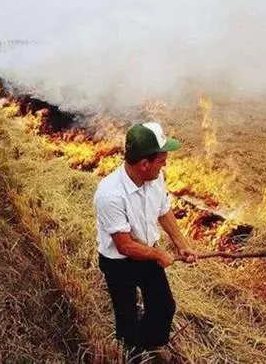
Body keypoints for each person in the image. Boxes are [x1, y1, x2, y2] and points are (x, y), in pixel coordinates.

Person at [94, 122, 197, 363]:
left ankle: (151, 341)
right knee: (126, 312)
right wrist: (159, 255)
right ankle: (132, 351)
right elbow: (125, 246)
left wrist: (181, 244)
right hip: (118, 261)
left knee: (164, 305)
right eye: (162, 159)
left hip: (148, 251)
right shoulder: (110, 195)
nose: (165, 164)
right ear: (144, 164)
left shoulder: (156, 178)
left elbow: (164, 211)